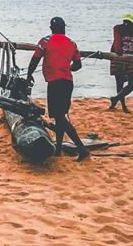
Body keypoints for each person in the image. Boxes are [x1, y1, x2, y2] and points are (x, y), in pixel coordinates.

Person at [27, 17, 89, 161]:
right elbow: (78, 65)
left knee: (60, 117)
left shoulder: (45, 41)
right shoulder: (72, 43)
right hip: (67, 83)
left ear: (51, 28)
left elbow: (35, 59)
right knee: (59, 116)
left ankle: (82, 149)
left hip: (55, 83)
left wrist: (29, 74)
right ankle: (58, 149)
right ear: (64, 28)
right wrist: (68, 68)